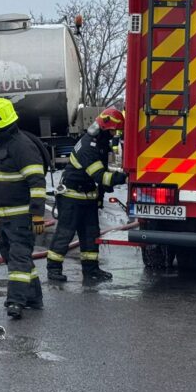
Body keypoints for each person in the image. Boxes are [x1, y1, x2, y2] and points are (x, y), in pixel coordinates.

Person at [0, 98, 47, 319]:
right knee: (11, 256)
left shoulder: (22, 146)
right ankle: (33, 298)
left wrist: (37, 216)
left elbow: (37, 183)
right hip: (5, 217)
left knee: (18, 259)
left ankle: (15, 302)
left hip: (22, 217)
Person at [46, 107, 127, 283]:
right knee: (65, 233)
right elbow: (100, 176)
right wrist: (122, 177)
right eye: (113, 130)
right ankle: (53, 269)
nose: (115, 134)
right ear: (105, 128)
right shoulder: (88, 146)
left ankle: (91, 270)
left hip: (87, 195)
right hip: (71, 196)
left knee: (91, 234)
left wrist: (100, 196)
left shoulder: (100, 144)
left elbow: (101, 174)